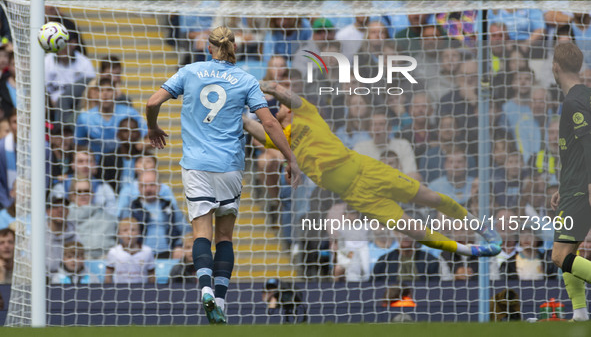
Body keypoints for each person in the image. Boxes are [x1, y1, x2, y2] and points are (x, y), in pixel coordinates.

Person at [243, 82, 503, 262]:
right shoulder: (281, 141)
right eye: (277, 110)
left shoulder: (307, 114)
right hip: (355, 195)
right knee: (409, 227)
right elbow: (253, 128)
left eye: (281, 107)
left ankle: (481, 228)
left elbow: (282, 92)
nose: (280, 110)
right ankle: (470, 251)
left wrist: (266, 87)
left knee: (430, 198)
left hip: (368, 170)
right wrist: (241, 118)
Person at [145, 26, 297, 324]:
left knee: (202, 233)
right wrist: (289, 158)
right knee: (225, 236)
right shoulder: (246, 80)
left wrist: (152, 127)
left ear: (208, 47)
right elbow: (268, 123)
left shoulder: (189, 71)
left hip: (196, 165)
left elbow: (152, 102)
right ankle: (221, 300)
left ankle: (204, 288)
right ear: (235, 48)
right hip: (229, 165)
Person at [550, 42, 591, 322]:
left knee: (559, 255)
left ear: (555, 68)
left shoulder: (574, 101)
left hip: (580, 189)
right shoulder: (585, 96)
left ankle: (579, 311)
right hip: (572, 186)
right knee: (571, 251)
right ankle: (579, 312)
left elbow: (589, 143)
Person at [104, 217, 156, 284]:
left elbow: (151, 275)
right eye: (125, 230)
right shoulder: (113, 252)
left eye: (133, 230)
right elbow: (108, 275)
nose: (129, 233)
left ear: (139, 233)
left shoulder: (147, 251)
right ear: (119, 234)